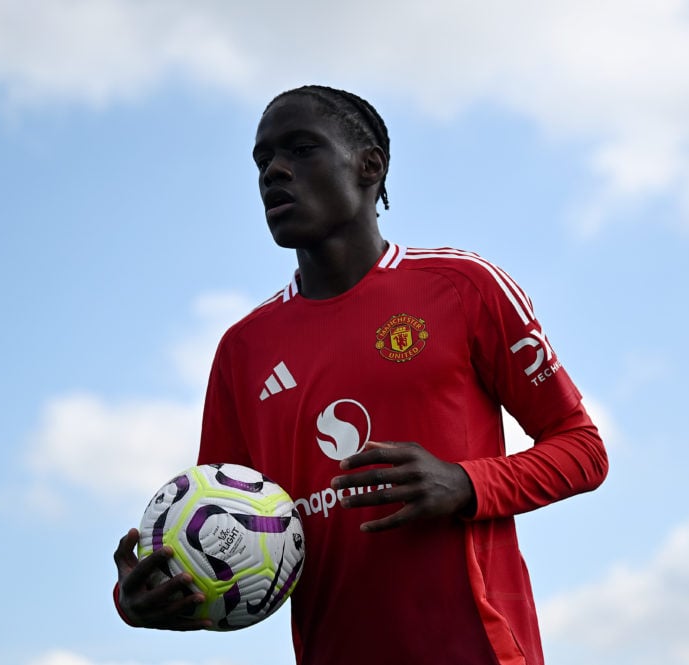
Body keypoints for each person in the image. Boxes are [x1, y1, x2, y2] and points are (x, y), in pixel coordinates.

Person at [113, 85, 609, 665]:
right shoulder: (242, 350)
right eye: (262, 161)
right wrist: (147, 596)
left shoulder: (463, 286)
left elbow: (584, 450)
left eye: (300, 149)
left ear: (370, 165)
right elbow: (221, 535)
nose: (273, 170)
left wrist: (466, 483)